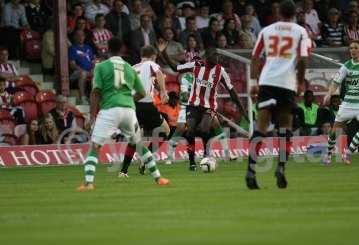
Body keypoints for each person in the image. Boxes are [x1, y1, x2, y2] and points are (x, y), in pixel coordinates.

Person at [78, 37, 169, 191]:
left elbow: (95, 92)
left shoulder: (103, 66)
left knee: (95, 146)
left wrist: (92, 116)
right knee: (139, 144)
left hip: (110, 109)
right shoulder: (127, 67)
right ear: (122, 50)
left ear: (107, 49)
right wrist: (129, 99)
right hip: (129, 108)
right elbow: (142, 91)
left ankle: (89, 183)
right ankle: (159, 178)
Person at [246, 0, 311, 190]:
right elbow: (304, 59)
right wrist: (300, 81)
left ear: (278, 12)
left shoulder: (267, 30)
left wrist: (252, 83)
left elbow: (255, 57)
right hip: (287, 83)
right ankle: (281, 168)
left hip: (267, 81)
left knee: (261, 127)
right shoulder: (300, 31)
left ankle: (251, 171)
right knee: (285, 128)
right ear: (295, 14)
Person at [173, 47, 246, 170]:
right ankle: (192, 162)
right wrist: (162, 53)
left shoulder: (220, 71)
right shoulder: (196, 65)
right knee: (190, 131)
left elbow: (231, 90)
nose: (217, 59)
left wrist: (242, 108)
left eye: (218, 56)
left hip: (209, 107)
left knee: (204, 129)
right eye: (214, 56)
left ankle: (206, 155)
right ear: (207, 57)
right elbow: (175, 68)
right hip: (193, 104)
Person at [119, 45, 170, 176]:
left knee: (134, 139)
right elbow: (159, 73)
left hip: (131, 105)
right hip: (146, 105)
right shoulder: (151, 64)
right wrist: (164, 92)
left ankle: (123, 171)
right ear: (153, 56)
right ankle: (146, 157)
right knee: (165, 130)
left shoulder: (132, 67)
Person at [68, 29, 95, 104]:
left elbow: (93, 62)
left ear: (84, 37)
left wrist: (93, 68)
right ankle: (82, 98)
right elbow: (72, 65)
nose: (80, 37)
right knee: (82, 73)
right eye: (78, 35)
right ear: (74, 37)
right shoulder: (72, 48)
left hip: (88, 71)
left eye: (82, 35)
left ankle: (93, 98)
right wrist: (83, 71)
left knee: (96, 73)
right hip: (75, 73)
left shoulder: (88, 48)